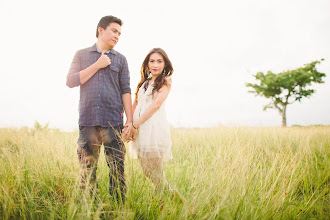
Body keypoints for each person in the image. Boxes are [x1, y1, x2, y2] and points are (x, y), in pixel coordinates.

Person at [66, 15, 134, 202]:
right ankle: (92, 210)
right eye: (114, 31)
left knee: (117, 171)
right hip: (88, 121)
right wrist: (98, 65)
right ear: (101, 30)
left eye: (119, 33)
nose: (117, 36)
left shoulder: (121, 60)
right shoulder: (81, 55)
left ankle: (118, 210)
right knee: (88, 172)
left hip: (113, 122)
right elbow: (71, 81)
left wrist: (130, 121)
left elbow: (126, 91)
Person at [128, 48, 175, 197]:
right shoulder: (143, 83)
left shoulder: (165, 80)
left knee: (157, 173)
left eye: (159, 61)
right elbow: (135, 104)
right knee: (147, 172)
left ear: (164, 64)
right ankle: (175, 200)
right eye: (152, 61)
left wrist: (135, 125)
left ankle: (163, 204)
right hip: (139, 129)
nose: (155, 64)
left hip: (154, 129)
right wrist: (129, 125)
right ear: (147, 64)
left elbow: (156, 105)